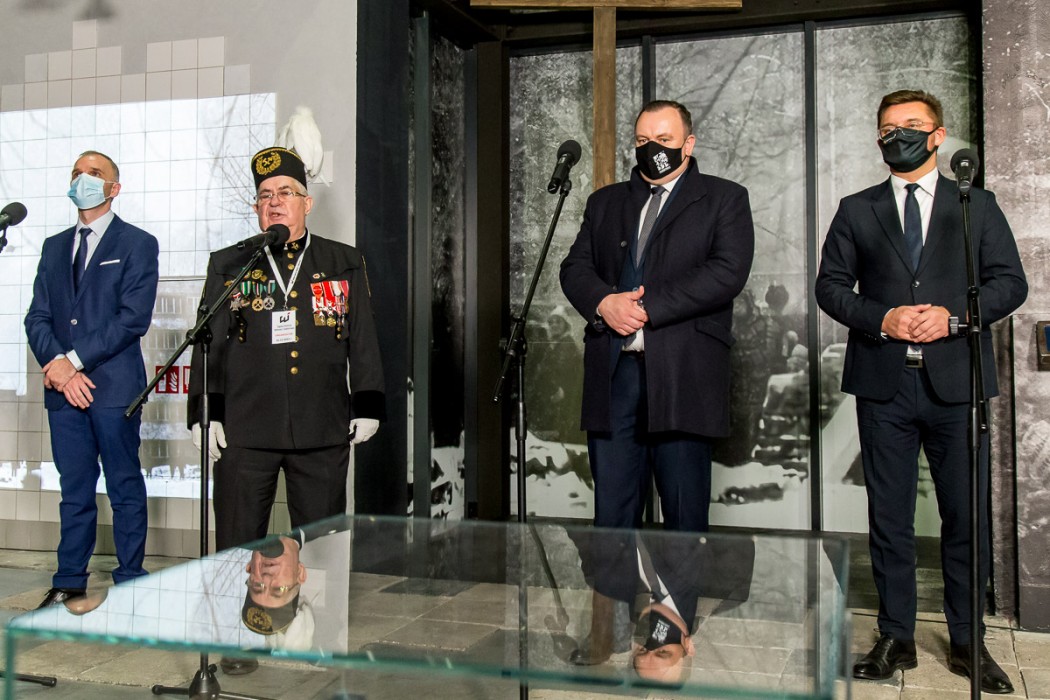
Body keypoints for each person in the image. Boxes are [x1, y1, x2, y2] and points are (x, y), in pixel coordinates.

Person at [815, 89, 1027, 693]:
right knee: (889, 517)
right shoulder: (856, 209)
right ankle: (896, 637)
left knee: (965, 516)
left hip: (957, 384)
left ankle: (967, 641)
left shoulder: (975, 205)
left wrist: (955, 318)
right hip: (883, 384)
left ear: (937, 135)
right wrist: (882, 317)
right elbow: (830, 287)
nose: (897, 134)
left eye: (910, 125)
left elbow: (1010, 283)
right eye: (887, 127)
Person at [559, 100, 755, 533]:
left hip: (684, 376)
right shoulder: (604, 203)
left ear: (689, 143)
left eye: (664, 139)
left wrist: (647, 309)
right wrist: (604, 302)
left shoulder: (724, 198)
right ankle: (615, 583)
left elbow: (727, 272)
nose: (653, 149)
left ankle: (677, 585)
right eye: (643, 140)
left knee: (684, 521)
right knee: (612, 521)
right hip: (615, 377)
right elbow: (574, 268)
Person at [188, 147, 385, 556]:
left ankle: (317, 603)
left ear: (307, 203)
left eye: (285, 192)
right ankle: (236, 601)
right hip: (245, 428)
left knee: (322, 552)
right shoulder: (230, 263)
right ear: (257, 208)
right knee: (236, 550)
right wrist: (205, 413)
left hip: (322, 425)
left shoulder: (342, 260)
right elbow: (210, 342)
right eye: (265, 195)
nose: (274, 202)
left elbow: (362, 336)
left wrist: (367, 404)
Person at [25, 151, 159, 608]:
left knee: (124, 486)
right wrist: (58, 366)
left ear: (113, 188)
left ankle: (131, 581)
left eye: (94, 173)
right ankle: (69, 579)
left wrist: (73, 362)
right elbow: (37, 316)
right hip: (63, 392)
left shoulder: (137, 243)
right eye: (77, 172)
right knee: (74, 490)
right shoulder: (54, 246)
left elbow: (132, 318)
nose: (83, 178)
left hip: (113, 388)